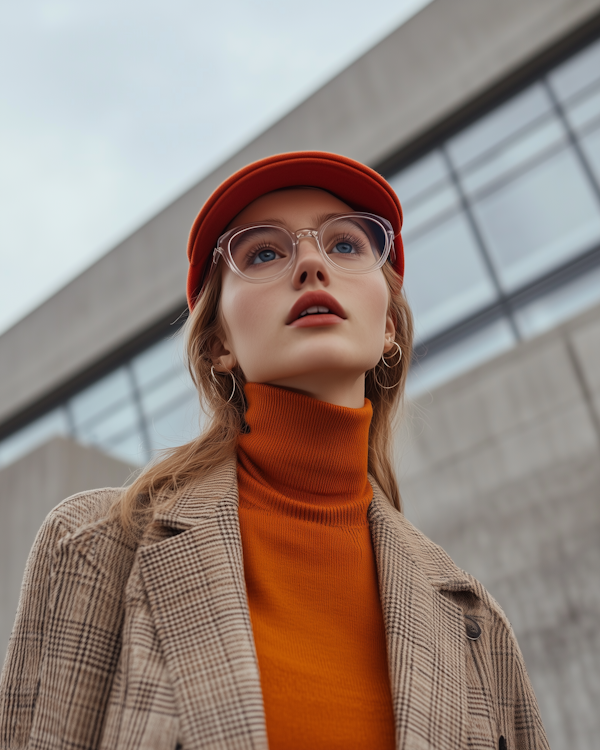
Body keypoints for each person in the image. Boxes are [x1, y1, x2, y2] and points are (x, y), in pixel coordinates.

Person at [0, 152, 549, 750]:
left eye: (345, 245)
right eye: (264, 252)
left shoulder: (475, 624)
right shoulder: (95, 544)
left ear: (389, 323)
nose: (312, 263)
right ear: (219, 344)